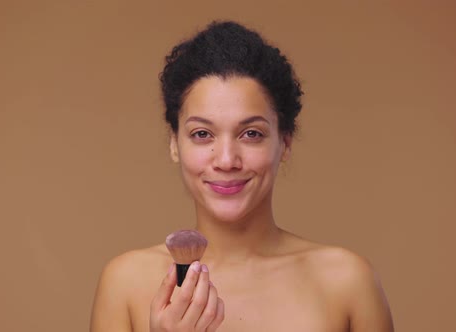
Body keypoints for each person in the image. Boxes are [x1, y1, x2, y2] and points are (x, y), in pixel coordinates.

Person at [90, 21, 394, 332]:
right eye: (202, 134)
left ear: (285, 142)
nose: (226, 160)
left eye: (251, 133)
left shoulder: (347, 283)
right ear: (174, 143)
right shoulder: (124, 285)